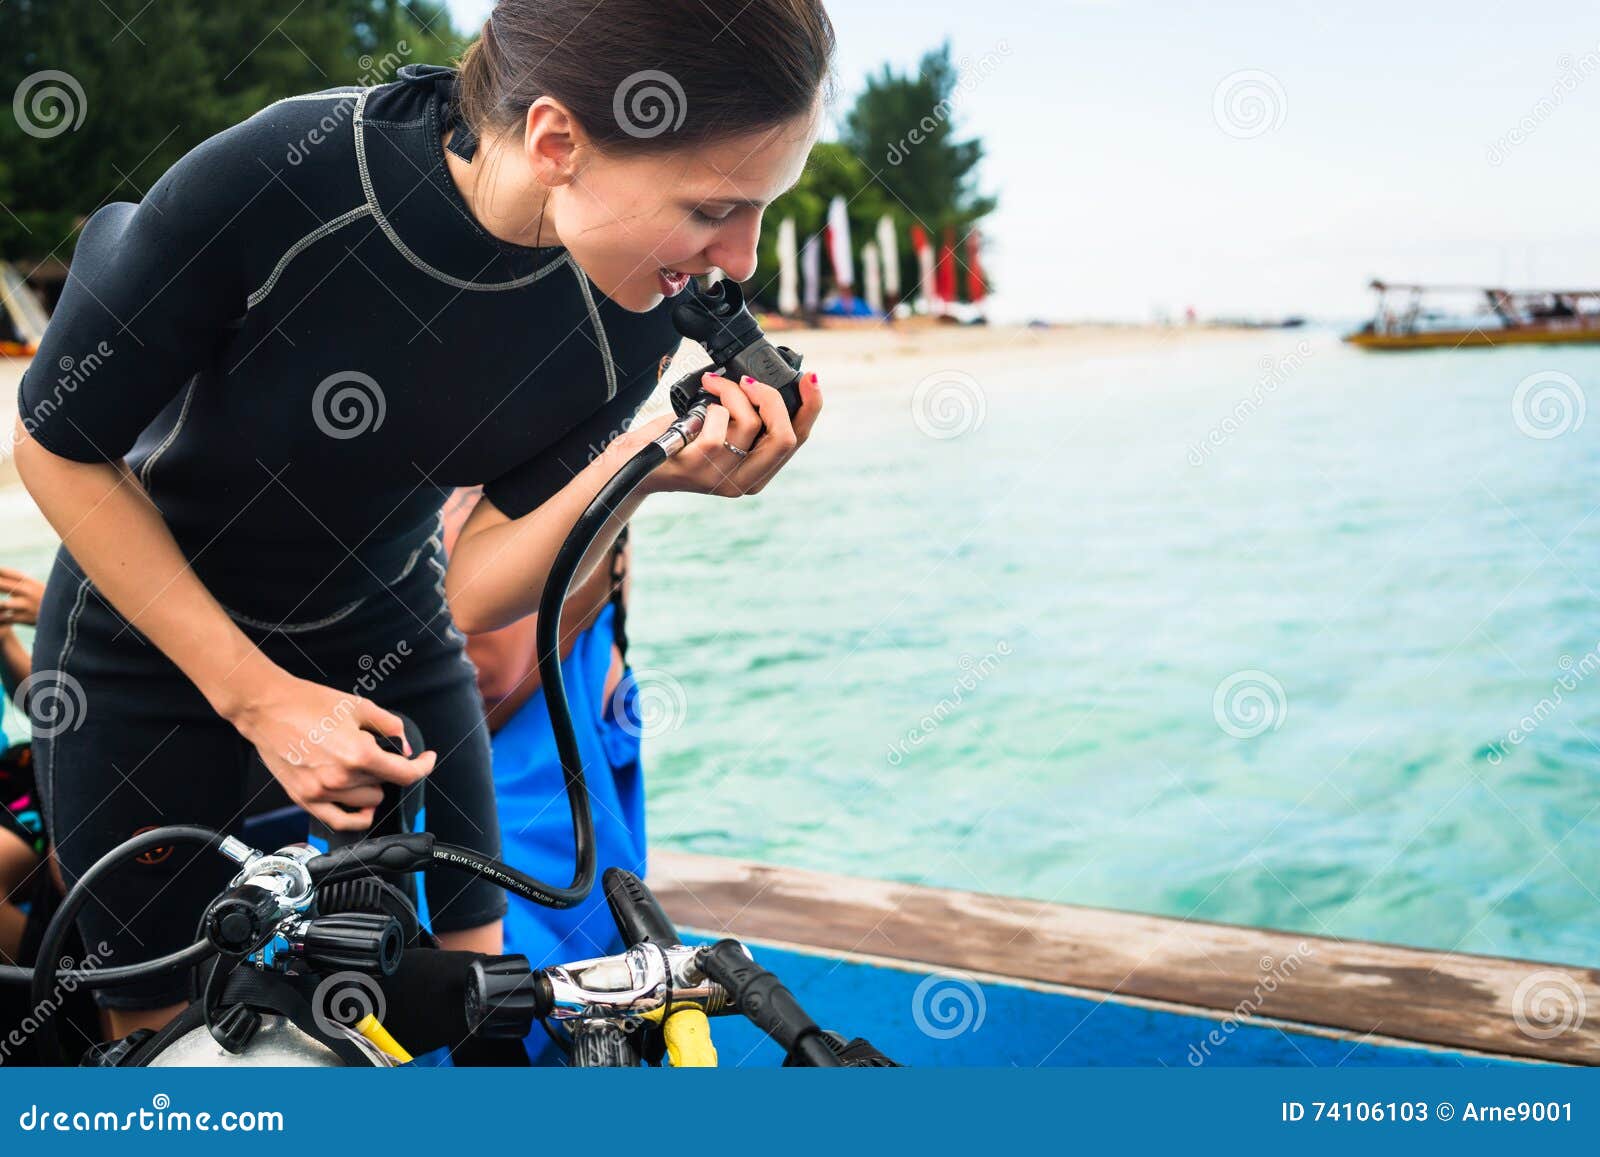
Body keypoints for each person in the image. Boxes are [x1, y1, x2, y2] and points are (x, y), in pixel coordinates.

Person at [15, 0, 831, 1041]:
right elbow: (54, 442)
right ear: (555, 139)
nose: (744, 258)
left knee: (471, 1015)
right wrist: (261, 698)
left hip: (392, 635)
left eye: (762, 208)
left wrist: (645, 468)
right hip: (144, 656)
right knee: (167, 1054)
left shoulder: (627, 310)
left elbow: (477, 581)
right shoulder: (285, 176)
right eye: (715, 206)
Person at [442, 489, 645, 1023]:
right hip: (565, 727)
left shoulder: (454, 498)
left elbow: (488, 667)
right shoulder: (579, 457)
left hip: (513, 771)